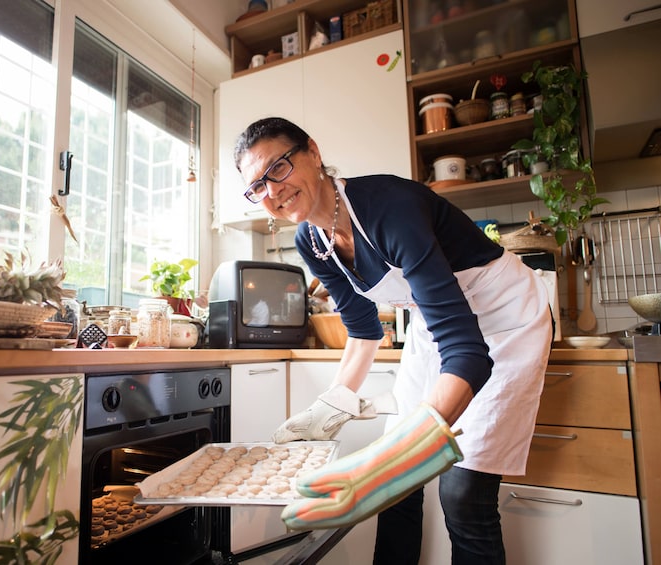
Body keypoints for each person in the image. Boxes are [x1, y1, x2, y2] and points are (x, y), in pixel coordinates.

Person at [233, 117, 553, 564]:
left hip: (503, 319)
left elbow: (468, 354)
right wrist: (333, 402)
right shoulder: (311, 240)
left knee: (462, 494)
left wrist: (389, 461)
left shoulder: (389, 206)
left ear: (313, 151)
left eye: (279, 168)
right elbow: (363, 326)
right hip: (436, 322)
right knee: (398, 491)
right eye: (257, 187)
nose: (272, 191)